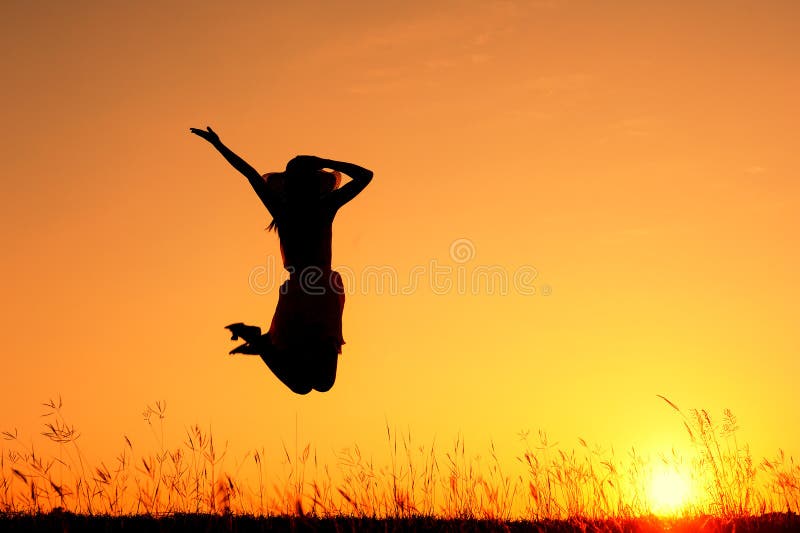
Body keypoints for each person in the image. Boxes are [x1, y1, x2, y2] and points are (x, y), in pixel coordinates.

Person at [190, 126, 373, 394]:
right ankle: (258, 340)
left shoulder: (289, 210)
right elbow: (365, 175)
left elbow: (250, 175)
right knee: (317, 383)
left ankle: (258, 341)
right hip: (318, 289)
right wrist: (324, 161)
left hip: (306, 289)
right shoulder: (322, 207)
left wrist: (219, 145)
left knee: (311, 384)